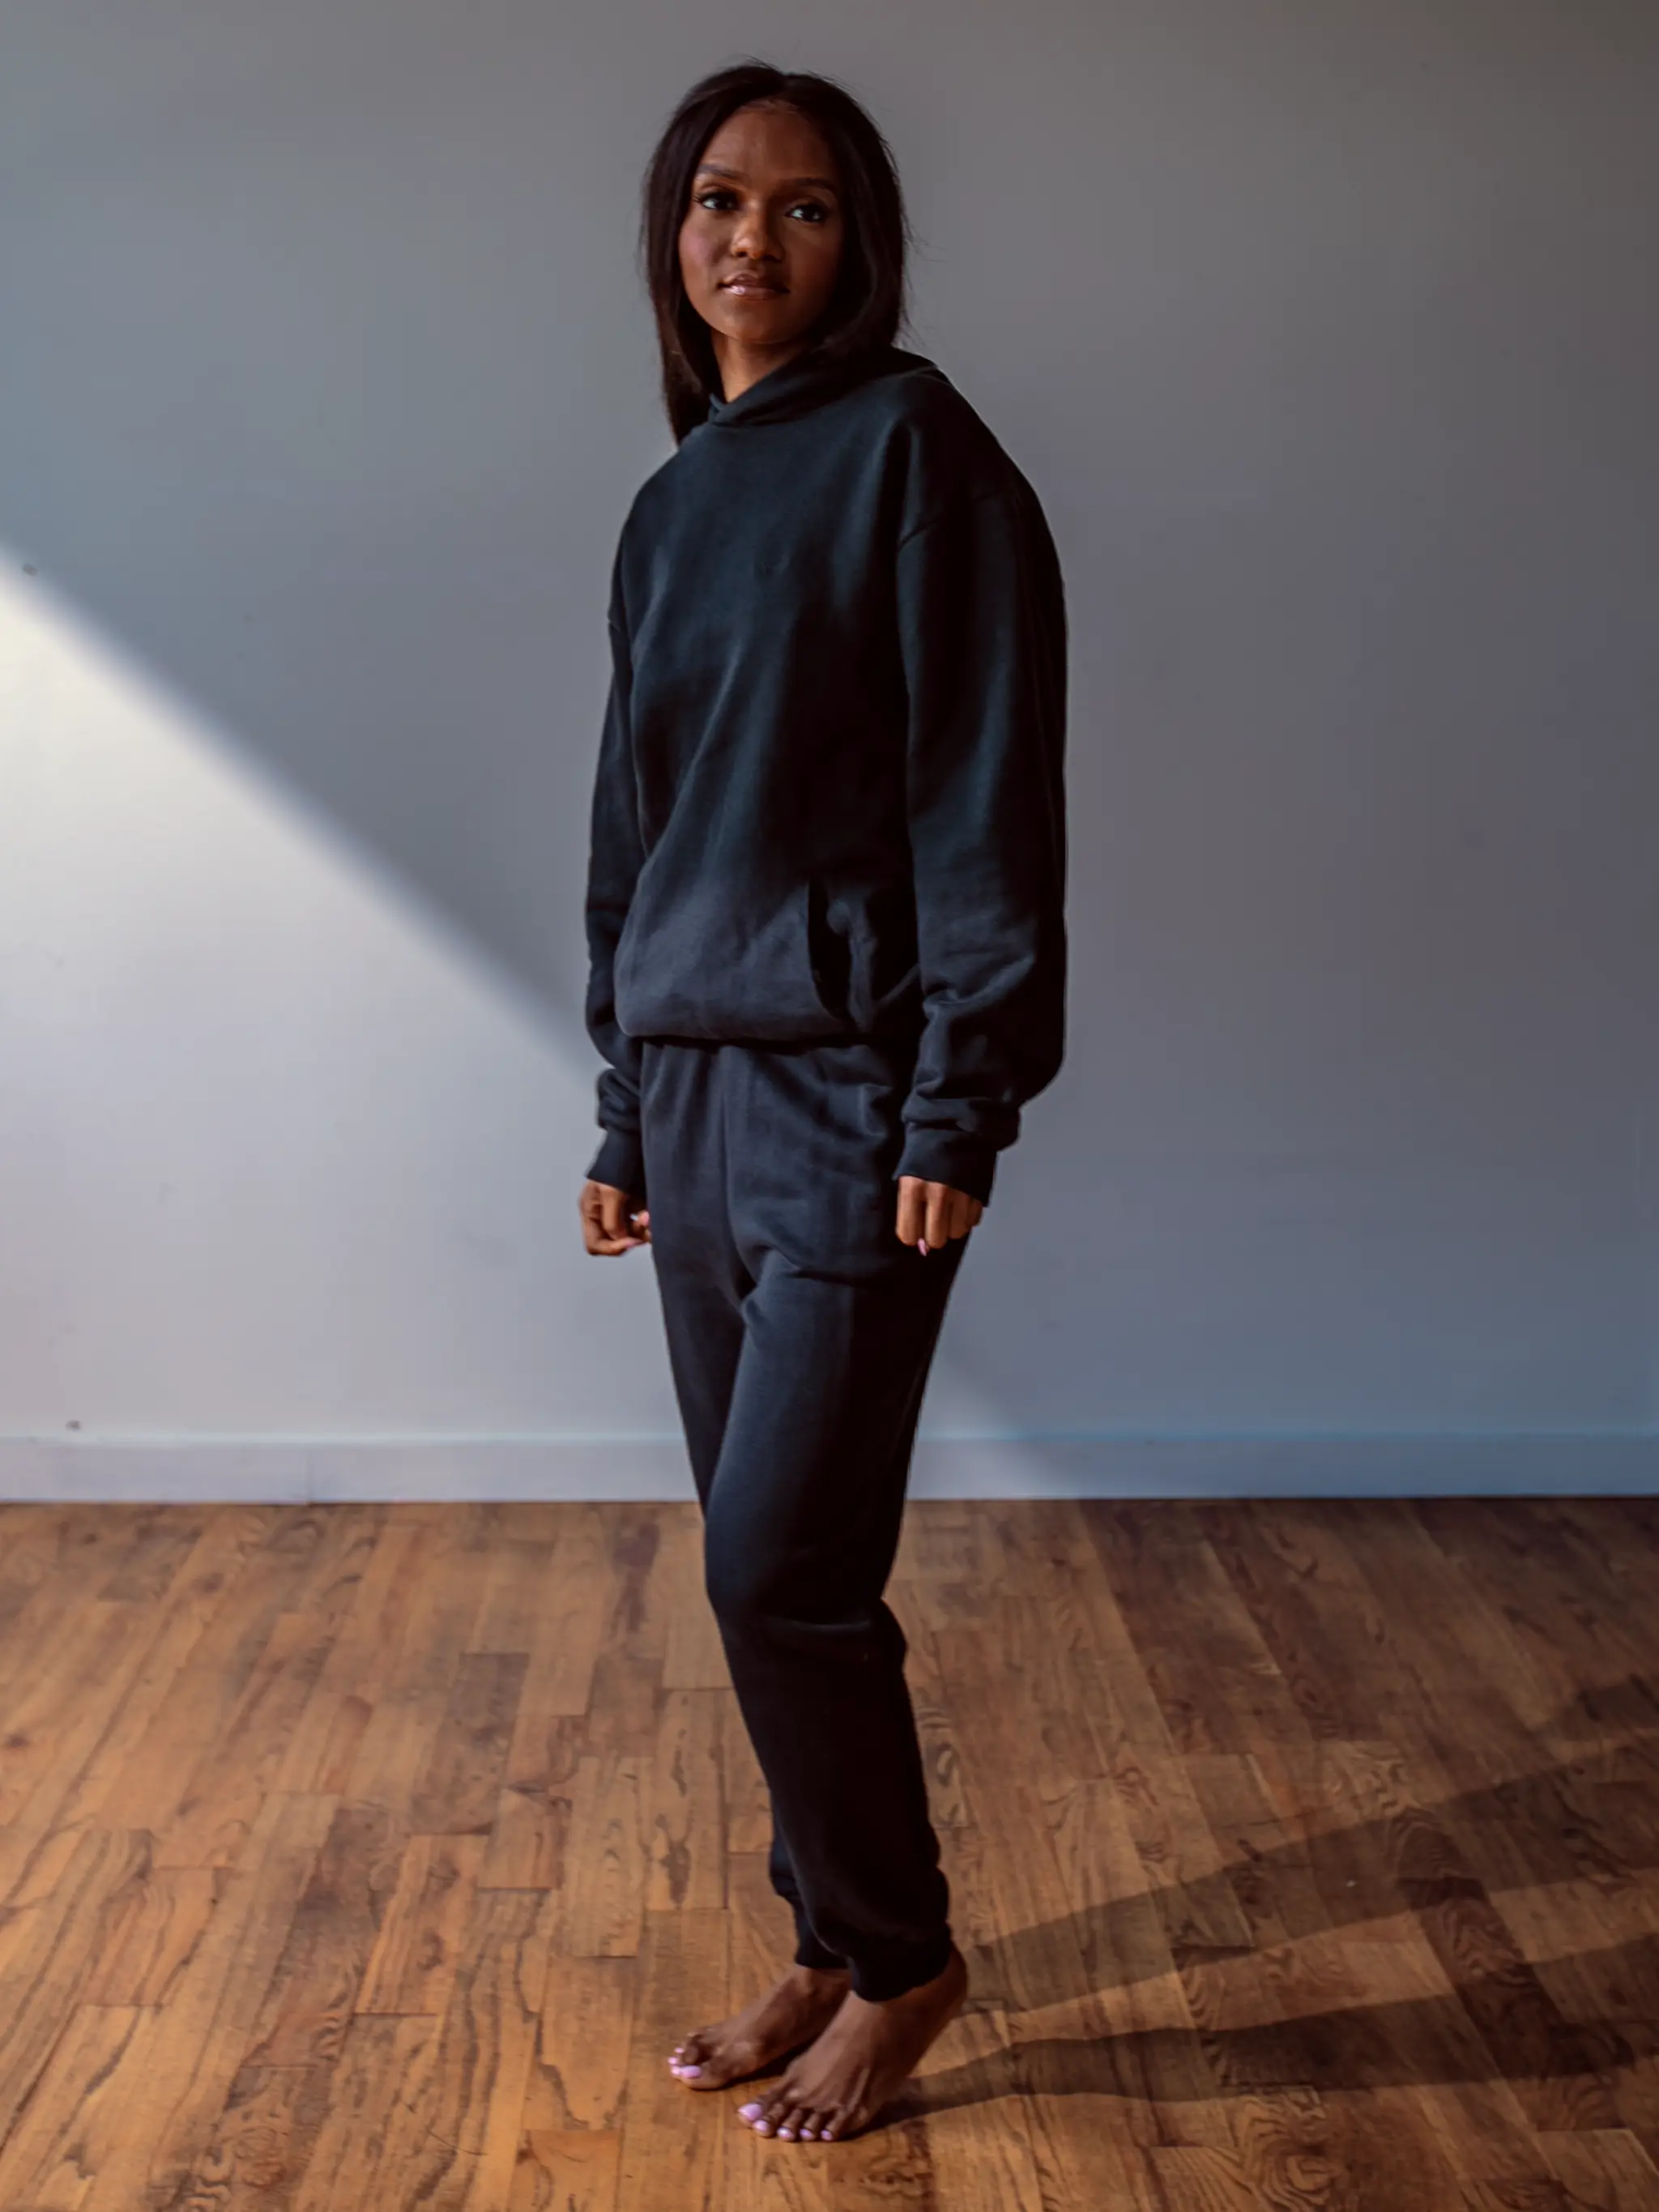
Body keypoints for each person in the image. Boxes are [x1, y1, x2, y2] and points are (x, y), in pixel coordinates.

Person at [577, 58, 1068, 2145]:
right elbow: (639, 822)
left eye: (798, 207)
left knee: (784, 1564)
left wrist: (961, 1100)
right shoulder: (676, 500)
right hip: (690, 1096)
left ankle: (908, 1955)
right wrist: (621, 1103)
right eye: (714, 201)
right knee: (758, 1554)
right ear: (669, 238)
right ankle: (822, 1929)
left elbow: (983, 796)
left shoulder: (920, 459)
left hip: (859, 1100)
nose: (748, 241)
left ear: (861, 240)